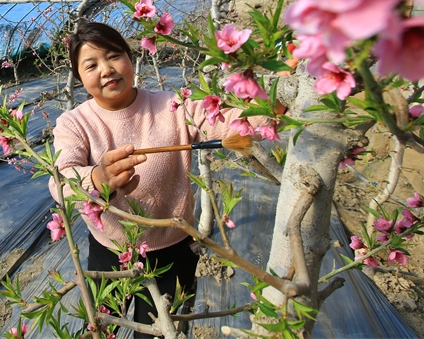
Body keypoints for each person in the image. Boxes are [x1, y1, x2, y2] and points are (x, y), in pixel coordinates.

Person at [48, 22, 267, 338]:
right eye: (91, 65)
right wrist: (99, 178)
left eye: (114, 56)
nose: (107, 69)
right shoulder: (74, 123)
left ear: (130, 57)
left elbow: (228, 123)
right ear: (79, 76)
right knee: (100, 326)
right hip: (110, 250)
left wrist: (273, 102)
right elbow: (61, 179)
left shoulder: (172, 106)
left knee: (161, 333)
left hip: (173, 249)